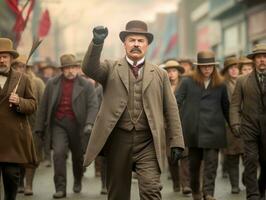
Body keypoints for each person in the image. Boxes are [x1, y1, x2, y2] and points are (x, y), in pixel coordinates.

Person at [82, 20, 185, 200]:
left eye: (140, 40)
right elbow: (89, 68)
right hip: (118, 140)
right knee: (118, 194)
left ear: (147, 45)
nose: (136, 44)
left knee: (151, 190)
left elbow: (171, 109)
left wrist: (176, 141)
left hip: (148, 142)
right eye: (132, 40)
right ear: (125, 44)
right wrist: (97, 43)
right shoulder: (111, 67)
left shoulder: (160, 74)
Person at [35, 54, 98, 198]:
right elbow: (43, 106)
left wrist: (89, 123)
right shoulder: (52, 83)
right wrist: (39, 128)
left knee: (78, 157)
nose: (71, 71)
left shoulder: (87, 85)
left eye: (74, 67)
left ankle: (77, 180)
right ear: (62, 70)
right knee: (58, 154)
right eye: (67, 68)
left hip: (79, 126)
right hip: (58, 125)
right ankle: (60, 188)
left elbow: (93, 106)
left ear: (78, 68)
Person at [176, 50, 229, 200]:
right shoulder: (187, 82)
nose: (207, 69)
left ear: (214, 67)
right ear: (198, 67)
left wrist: (234, 126)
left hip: (214, 131)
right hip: (194, 130)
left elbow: (227, 107)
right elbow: (176, 102)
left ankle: (209, 193)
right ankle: (196, 191)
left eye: (210, 66)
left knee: (211, 165)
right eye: (204, 66)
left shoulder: (221, 84)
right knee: (194, 166)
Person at [0, 38, 37, 200]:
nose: (1, 60)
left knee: (11, 177)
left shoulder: (23, 79)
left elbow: (33, 105)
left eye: (5, 56)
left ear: (11, 58)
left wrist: (19, 101)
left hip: (12, 139)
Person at [230, 43, 266, 200]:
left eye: (265, 57)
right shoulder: (242, 80)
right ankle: (252, 194)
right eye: (259, 57)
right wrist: (235, 123)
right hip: (249, 126)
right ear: (254, 60)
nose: (262, 60)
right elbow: (235, 105)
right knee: (250, 160)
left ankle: (261, 187)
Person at [12, 55, 46, 195]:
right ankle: (20, 182)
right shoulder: (10, 81)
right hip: (15, 124)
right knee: (17, 155)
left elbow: (43, 104)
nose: (20, 69)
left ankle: (29, 185)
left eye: (23, 66)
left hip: (34, 123)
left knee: (32, 155)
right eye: (17, 66)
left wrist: (42, 124)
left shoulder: (37, 82)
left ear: (28, 68)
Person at [163, 60, 192, 195]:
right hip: (167, 126)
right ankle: (175, 182)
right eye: (168, 71)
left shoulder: (186, 85)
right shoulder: (163, 86)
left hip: (184, 124)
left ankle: (186, 184)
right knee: (171, 156)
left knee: (185, 155)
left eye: (174, 71)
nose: (171, 74)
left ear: (179, 73)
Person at [220, 57, 244, 194]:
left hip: (247, 124)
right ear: (227, 70)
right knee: (232, 157)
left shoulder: (245, 81)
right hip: (229, 126)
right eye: (231, 67)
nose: (234, 70)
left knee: (250, 157)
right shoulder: (222, 85)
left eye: (236, 67)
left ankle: (247, 179)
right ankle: (234, 185)